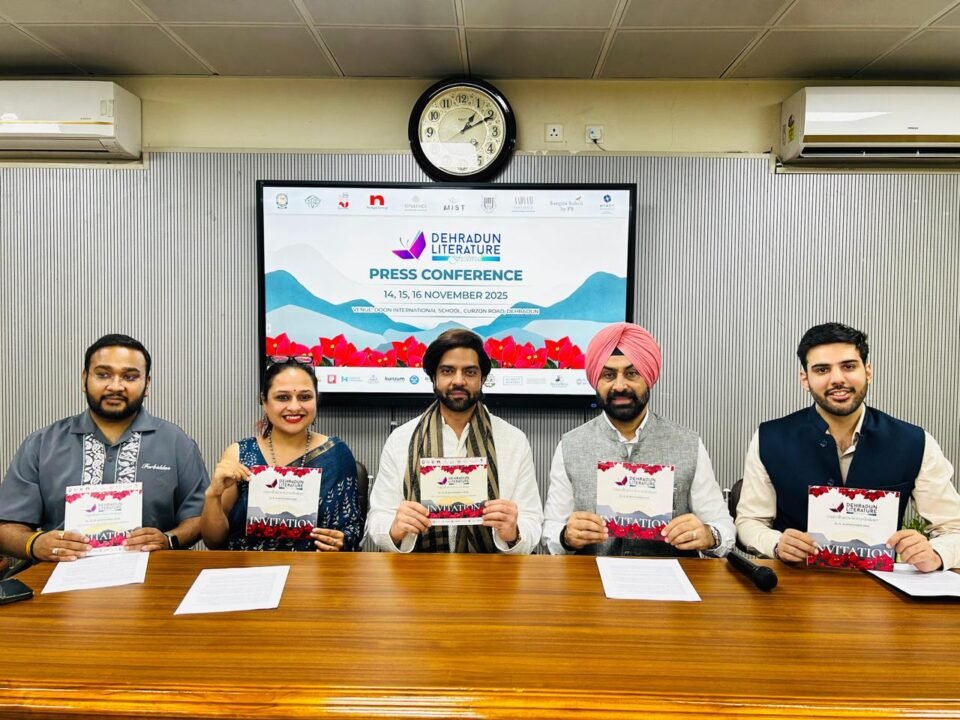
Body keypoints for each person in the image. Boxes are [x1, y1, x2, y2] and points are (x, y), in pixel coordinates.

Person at [736, 322, 960, 571]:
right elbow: (749, 522)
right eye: (822, 370)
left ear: (868, 371)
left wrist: (936, 553)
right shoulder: (769, 437)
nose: (837, 379)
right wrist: (776, 544)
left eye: (849, 366)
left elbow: (954, 528)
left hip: (878, 586)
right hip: (794, 581)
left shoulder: (915, 441)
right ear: (805, 379)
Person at [0, 334, 208, 563]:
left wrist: (168, 540)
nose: (115, 386)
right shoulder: (42, 443)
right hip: (59, 574)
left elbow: (200, 517)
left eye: (130, 376)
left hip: (153, 576)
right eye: (103, 374)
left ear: (147, 384)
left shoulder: (176, 442)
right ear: (84, 379)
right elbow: (6, 526)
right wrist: (36, 543)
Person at [543, 323, 734, 557]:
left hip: (670, 576)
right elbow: (551, 532)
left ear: (648, 377)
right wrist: (566, 536)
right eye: (608, 375)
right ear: (595, 380)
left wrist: (709, 535)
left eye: (632, 373)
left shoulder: (688, 443)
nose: (620, 386)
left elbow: (723, 528)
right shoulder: (571, 445)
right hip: (593, 576)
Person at [366, 329, 543, 553]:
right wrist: (395, 528)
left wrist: (514, 532)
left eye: (470, 372)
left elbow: (532, 521)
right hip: (418, 569)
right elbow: (378, 518)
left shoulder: (514, 440)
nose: (458, 381)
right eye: (447, 371)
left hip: (493, 569)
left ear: (483, 378)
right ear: (434, 378)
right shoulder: (401, 439)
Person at [201, 357, 363, 551]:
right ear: (264, 401)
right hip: (247, 567)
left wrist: (342, 542)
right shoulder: (239, 454)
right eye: (282, 398)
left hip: (314, 568)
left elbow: (352, 529)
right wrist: (213, 495)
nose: (294, 407)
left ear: (316, 400)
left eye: (305, 397)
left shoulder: (336, 454)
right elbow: (214, 542)